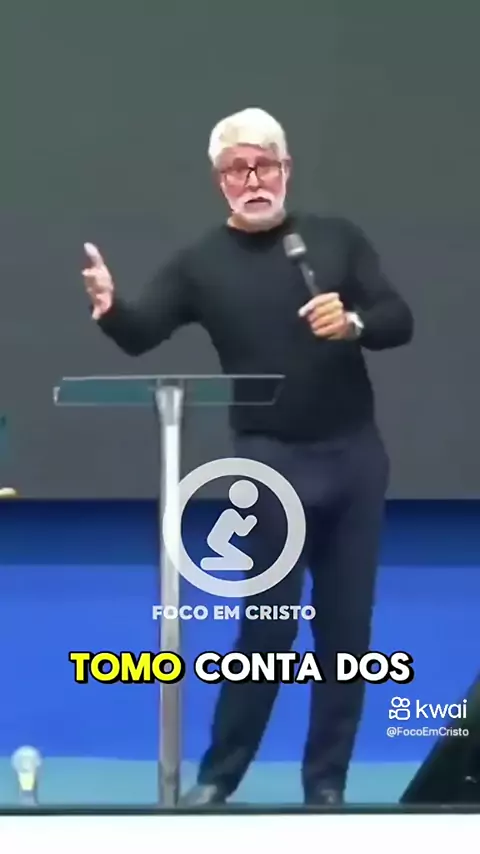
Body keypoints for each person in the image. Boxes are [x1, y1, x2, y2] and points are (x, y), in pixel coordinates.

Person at [82, 107, 414, 806]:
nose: (253, 179)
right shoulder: (201, 264)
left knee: (347, 633)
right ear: (220, 181)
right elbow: (141, 333)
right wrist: (111, 309)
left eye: (265, 164)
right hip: (269, 463)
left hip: (354, 458)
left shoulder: (335, 240)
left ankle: (326, 784)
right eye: (238, 169)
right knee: (266, 628)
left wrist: (353, 321)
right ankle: (220, 777)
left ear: (286, 169)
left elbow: (397, 318)